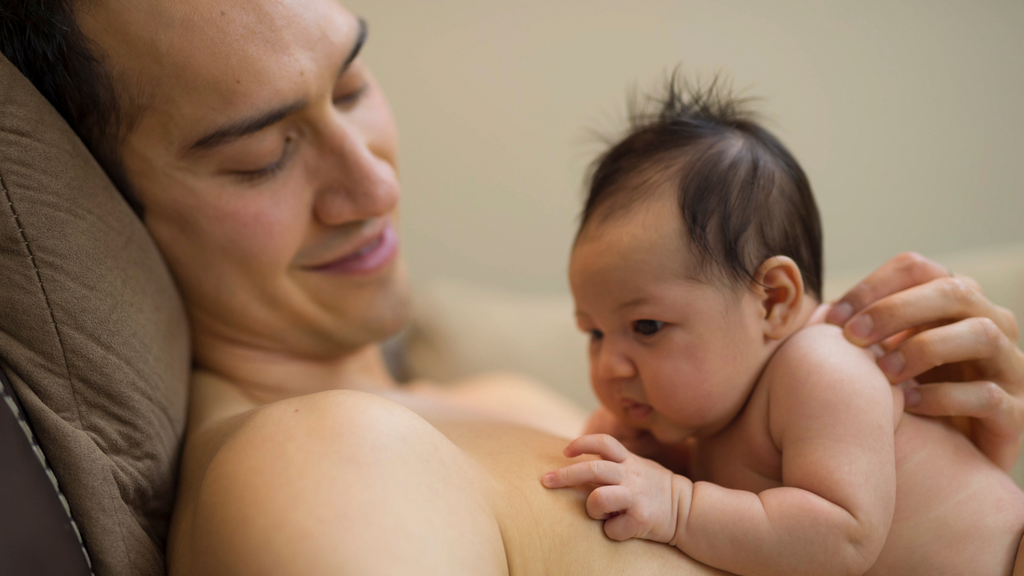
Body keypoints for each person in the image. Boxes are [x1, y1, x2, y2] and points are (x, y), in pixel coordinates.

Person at [2, 0, 1023, 574]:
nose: (373, 182)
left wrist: (962, 472)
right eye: (259, 155)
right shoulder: (319, 466)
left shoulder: (503, 405)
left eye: (352, 87)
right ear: (112, 203)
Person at [540, 83, 1024, 575]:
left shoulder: (822, 363)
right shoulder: (719, 410)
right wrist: (654, 457)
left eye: (646, 326)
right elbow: (753, 512)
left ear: (772, 301)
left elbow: (841, 538)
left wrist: (677, 504)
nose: (607, 367)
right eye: (594, 333)